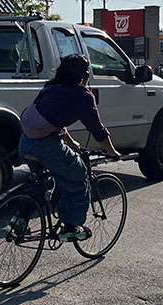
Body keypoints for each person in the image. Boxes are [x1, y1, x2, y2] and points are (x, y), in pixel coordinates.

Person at [18, 54, 121, 241]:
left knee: (42, 181)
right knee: (79, 176)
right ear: (84, 75)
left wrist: (70, 142)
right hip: (45, 145)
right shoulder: (83, 96)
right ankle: (71, 227)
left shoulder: (51, 87)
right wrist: (111, 151)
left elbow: (50, 120)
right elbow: (97, 130)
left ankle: (20, 220)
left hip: (25, 141)